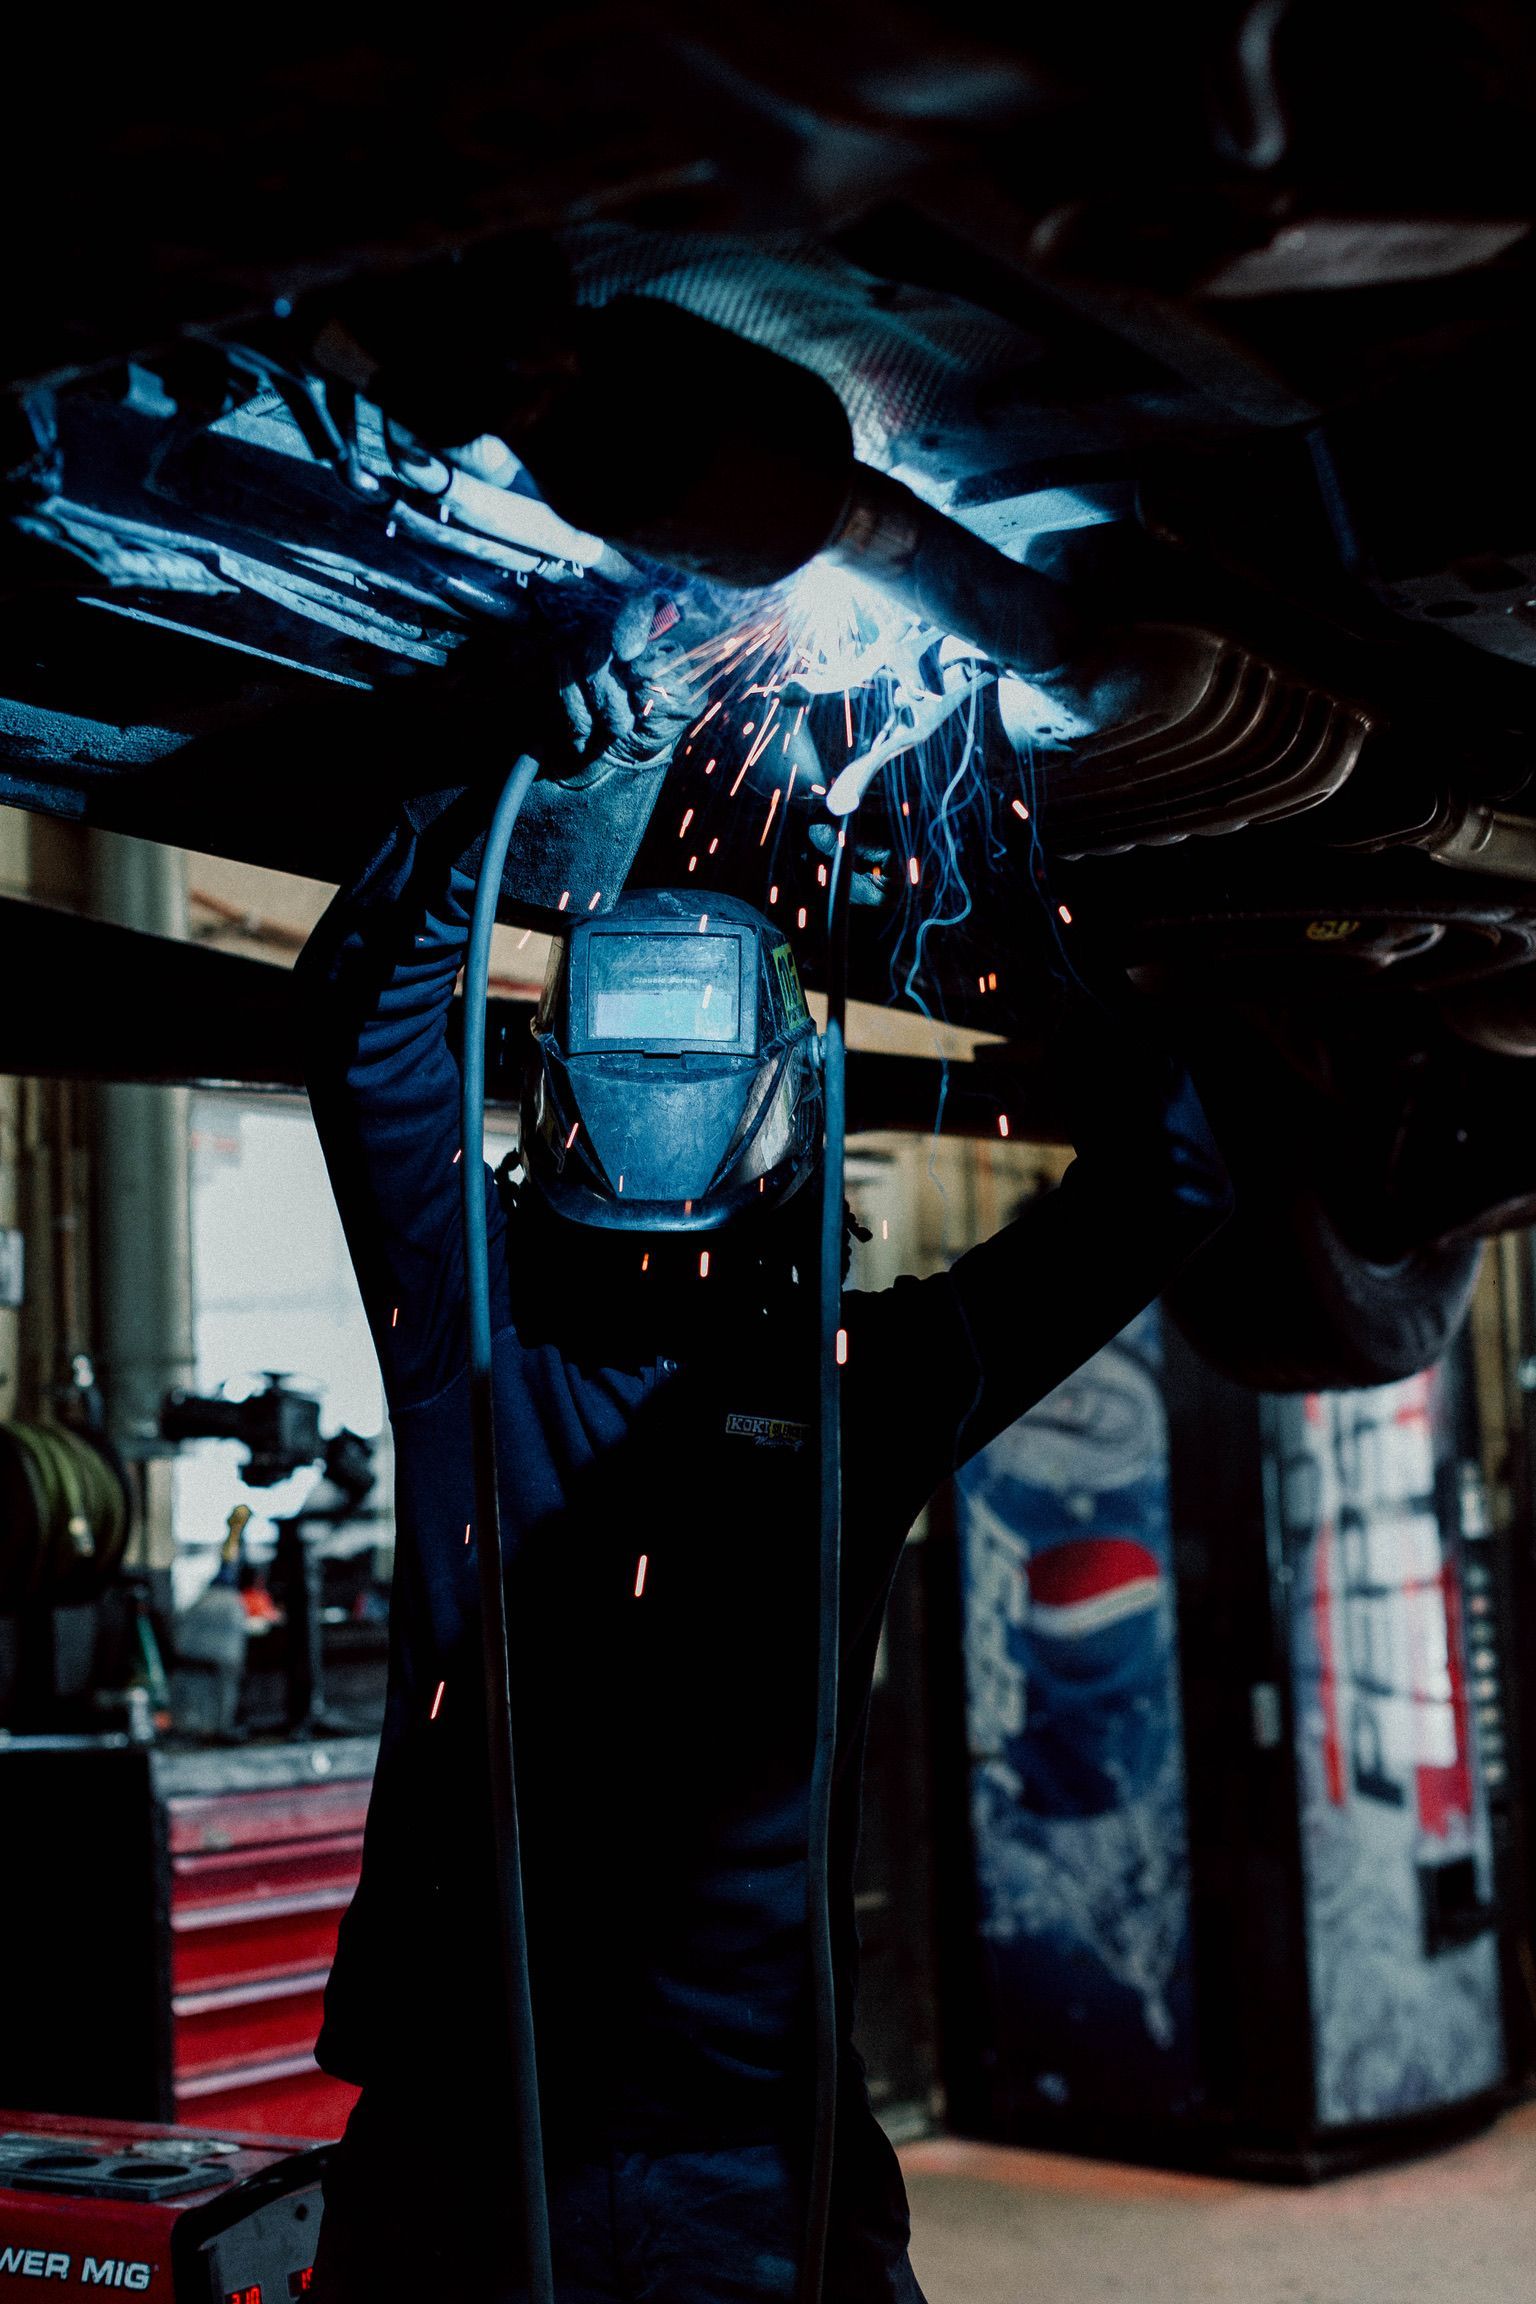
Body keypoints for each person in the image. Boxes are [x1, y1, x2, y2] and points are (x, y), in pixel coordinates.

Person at [296, 657, 1231, 2301]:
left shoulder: (473, 1336)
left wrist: (494, 793)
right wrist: (1014, 935)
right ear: (800, 1115)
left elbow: (372, 1020)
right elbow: (1169, 1177)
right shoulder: (847, 1387)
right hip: (551, 2148)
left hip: (660, 2154)